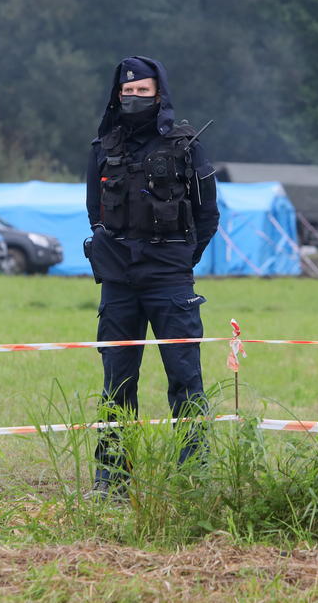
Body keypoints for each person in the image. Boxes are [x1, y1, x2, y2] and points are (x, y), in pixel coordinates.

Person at [84, 56, 220, 499]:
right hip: (119, 282)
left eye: (143, 91)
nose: (134, 98)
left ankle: (193, 476)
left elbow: (208, 216)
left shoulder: (186, 146)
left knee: (185, 379)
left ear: (158, 94)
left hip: (170, 280)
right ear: (117, 93)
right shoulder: (103, 147)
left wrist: (180, 263)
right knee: (116, 383)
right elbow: (94, 212)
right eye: (128, 91)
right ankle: (113, 482)